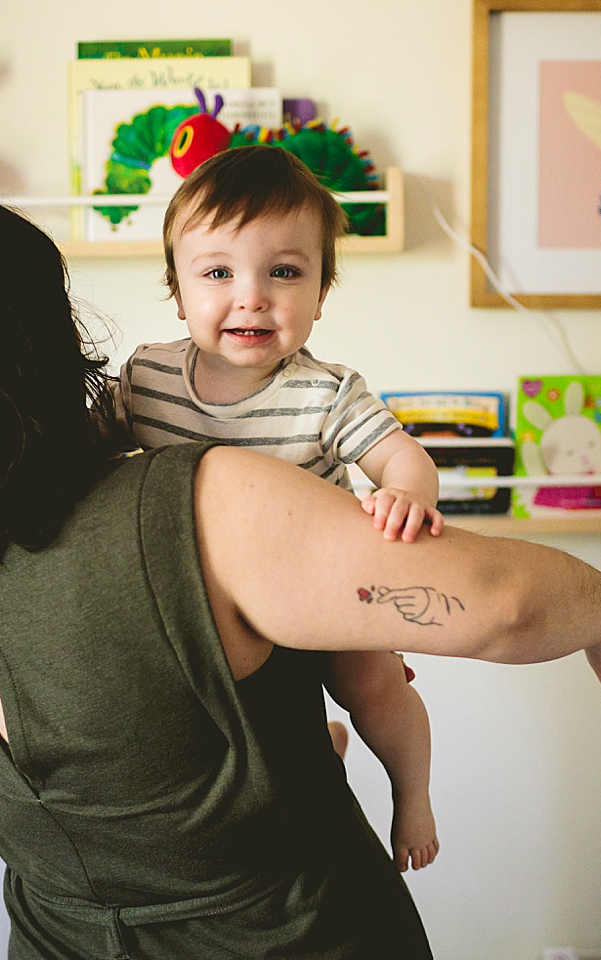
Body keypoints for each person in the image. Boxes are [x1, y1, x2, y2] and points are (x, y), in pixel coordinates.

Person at [0, 192, 601, 960]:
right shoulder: (203, 499)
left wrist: (287, 755)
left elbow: (121, 769)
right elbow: (503, 607)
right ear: (37, 339)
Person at [112, 144, 443, 872]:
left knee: (373, 683)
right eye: (218, 272)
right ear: (177, 290)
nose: (252, 296)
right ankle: (312, 750)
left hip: (316, 582)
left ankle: (412, 793)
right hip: (200, 596)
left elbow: (401, 457)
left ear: (322, 293)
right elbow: (87, 455)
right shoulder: (146, 376)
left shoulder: (326, 391)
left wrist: (405, 495)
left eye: (284, 272)